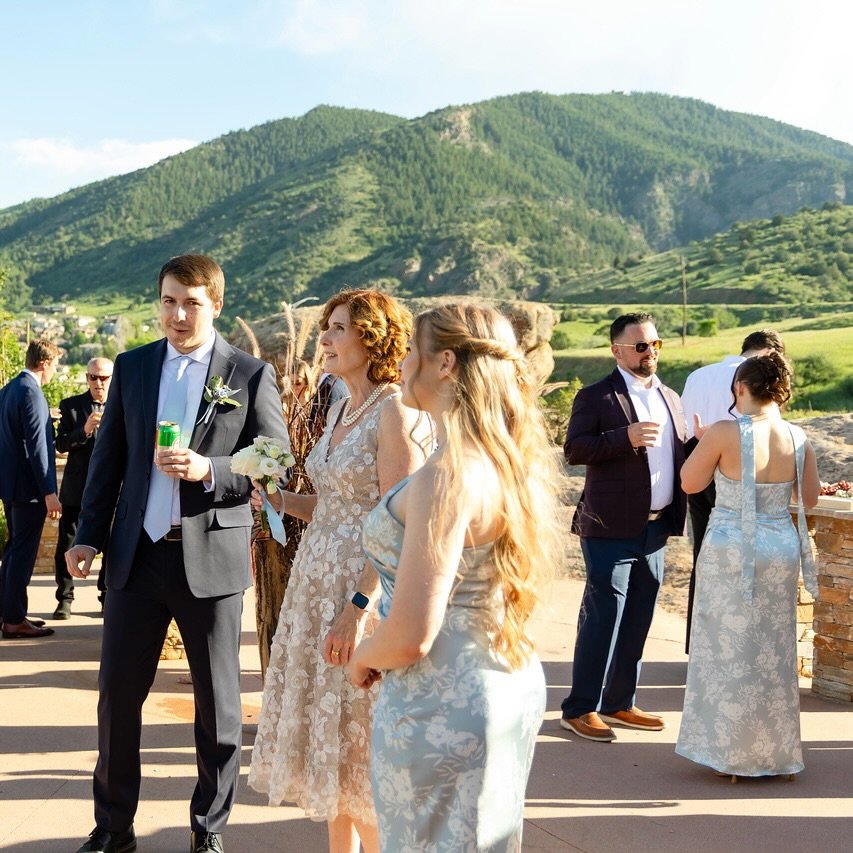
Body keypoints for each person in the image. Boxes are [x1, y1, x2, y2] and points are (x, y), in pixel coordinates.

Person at [66, 254, 288, 853]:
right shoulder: (134, 368)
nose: (178, 313)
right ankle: (113, 828)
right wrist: (87, 535)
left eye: (190, 302)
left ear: (215, 303)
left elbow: (274, 463)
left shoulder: (248, 374)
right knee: (117, 695)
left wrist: (209, 469)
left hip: (211, 562)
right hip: (135, 560)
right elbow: (108, 460)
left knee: (217, 707)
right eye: (168, 301)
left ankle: (207, 830)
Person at [346, 303, 563, 850]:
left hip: (441, 703)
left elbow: (414, 632)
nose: (399, 365)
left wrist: (363, 656)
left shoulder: (448, 474)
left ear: (444, 363)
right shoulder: (504, 460)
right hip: (504, 678)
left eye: (410, 353)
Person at [249, 289, 431, 853]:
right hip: (314, 581)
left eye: (338, 329)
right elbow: (331, 507)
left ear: (371, 339)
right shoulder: (339, 406)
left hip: (362, 588)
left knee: (363, 743)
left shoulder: (395, 409)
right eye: (325, 328)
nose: (324, 339)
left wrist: (358, 608)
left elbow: (397, 521)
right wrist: (279, 500)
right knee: (331, 745)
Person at [676, 353, 819, 779]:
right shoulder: (798, 436)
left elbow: (690, 482)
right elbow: (808, 499)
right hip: (780, 546)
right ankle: (776, 754)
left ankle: (732, 752)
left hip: (732, 547)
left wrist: (705, 443)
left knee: (728, 650)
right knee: (773, 651)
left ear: (741, 389)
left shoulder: (724, 431)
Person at [560, 312, 688, 742]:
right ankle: (579, 708)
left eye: (655, 344)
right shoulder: (596, 396)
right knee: (603, 617)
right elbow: (574, 449)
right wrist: (625, 438)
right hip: (608, 526)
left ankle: (619, 703)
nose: (649, 351)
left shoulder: (670, 396)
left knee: (638, 616)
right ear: (617, 351)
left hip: (655, 528)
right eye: (640, 346)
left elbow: (676, 453)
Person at [680, 329, 785, 651]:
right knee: (745, 563)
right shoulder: (760, 383)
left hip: (696, 461)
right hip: (741, 469)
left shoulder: (699, 375)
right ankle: (738, 646)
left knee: (705, 557)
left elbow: (684, 426)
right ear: (770, 353)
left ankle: (699, 646)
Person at [0, 338, 63, 639]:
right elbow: (38, 446)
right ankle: (14, 620)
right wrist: (49, 491)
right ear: (44, 363)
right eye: (55, 365)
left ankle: (9, 612)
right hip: (29, 489)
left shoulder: (9, 389)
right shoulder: (32, 393)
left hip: (11, 485)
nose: (55, 372)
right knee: (22, 554)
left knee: (13, 551)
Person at [51, 357, 114, 619]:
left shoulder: (123, 405)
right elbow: (61, 445)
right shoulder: (72, 406)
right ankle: (64, 599)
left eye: (103, 378)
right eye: (93, 377)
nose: (98, 383)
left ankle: (106, 597)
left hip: (112, 491)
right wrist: (84, 430)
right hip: (77, 491)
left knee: (112, 547)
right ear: (86, 378)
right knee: (66, 545)